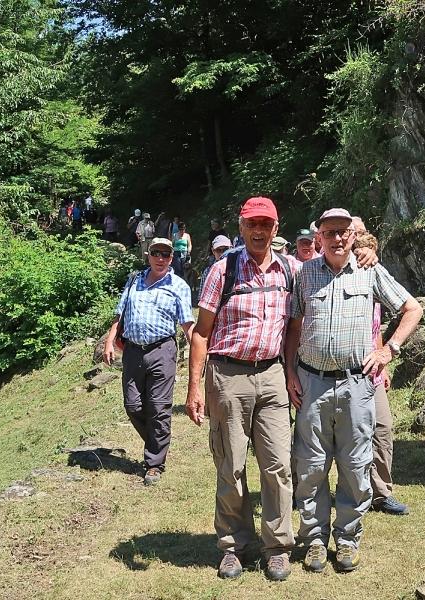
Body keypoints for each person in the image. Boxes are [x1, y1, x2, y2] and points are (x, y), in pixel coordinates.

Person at [284, 208, 423, 573]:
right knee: (310, 466)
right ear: (319, 237)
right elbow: (294, 327)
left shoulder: (369, 270)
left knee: (355, 465)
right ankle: (314, 540)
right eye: (329, 232)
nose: (337, 238)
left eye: (343, 232)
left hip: (356, 385)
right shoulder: (305, 274)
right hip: (312, 383)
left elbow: (412, 308)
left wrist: (388, 350)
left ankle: (347, 540)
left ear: (352, 235)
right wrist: (290, 372)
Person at [186, 196, 299, 582]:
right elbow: (201, 333)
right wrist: (194, 389)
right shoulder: (223, 270)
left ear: (276, 228)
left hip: (272, 376)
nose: (259, 231)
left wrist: (364, 253)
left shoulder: (291, 270)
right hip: (228, 376)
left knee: (278, 466)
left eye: (266, 224)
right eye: (252, 223)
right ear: (241, 227)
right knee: (231, 466)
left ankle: (277, 547)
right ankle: (234, 546)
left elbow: (298, 320)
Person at [103, 237, 194, 485]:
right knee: (133, 405)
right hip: (133, 351)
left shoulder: (178, 286)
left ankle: (154, 463)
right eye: (156, 253)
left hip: (162, 350)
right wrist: (110, 341)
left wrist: (199, 353)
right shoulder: (134, 280)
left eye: (166, 254)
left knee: (158, 407)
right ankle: (157, 442)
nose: (160, 258)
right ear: (148, 255)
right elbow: (120, 313)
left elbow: (187, 324)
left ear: (172, 258)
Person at [353, 220, 409, 516]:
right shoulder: (324, 269)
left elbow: (375, 326)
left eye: (361, 230)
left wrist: (384, 357)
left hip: (371, 367)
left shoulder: (370, 271)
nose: (359, 235)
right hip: (337, 371)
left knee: (382, 429)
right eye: (354, 231)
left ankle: (381, 493)